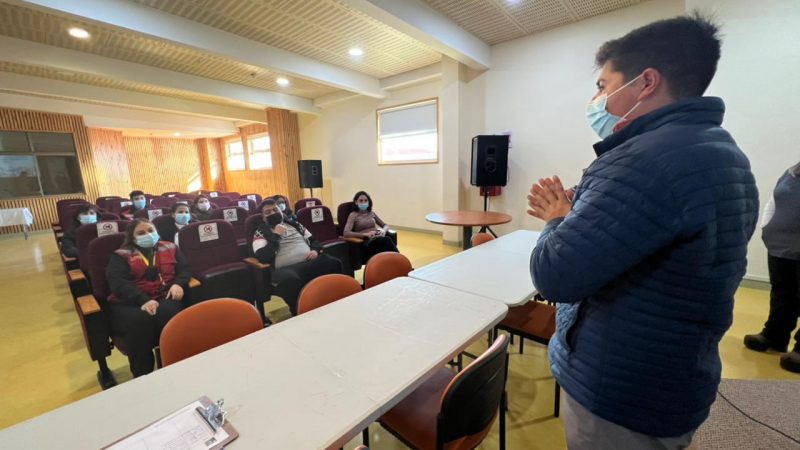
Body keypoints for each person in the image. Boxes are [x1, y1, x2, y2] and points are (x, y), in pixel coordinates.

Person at [525, 14, 758, 449]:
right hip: (673, 373)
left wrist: (558, 217)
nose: (597, 98)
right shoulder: (719, 150)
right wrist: (585, 211)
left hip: (620, 388)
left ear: (645, 82)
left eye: (603, 85)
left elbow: (555, 275)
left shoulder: (643, 160)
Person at [106, 219, 191, 377]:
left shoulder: (170, 247)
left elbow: (184, 269)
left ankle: (174, 368)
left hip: (164, 294)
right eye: (141, 233)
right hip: (131, 301)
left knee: (169, 314)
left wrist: (179, 284)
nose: (148, 235)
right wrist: (143, 300)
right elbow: (118, 283)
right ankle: (143, 375)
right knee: (139, 322)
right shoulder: (121, 255)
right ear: (132, 237)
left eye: (151, 230)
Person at [744, 163, 800, 373]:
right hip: (780, 245)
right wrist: (766, 228)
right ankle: (775, 335)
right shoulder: (791, 172)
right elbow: (774, 201)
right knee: (782, 292)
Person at [252, 199, 343, 316]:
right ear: (263, 218)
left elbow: (314, 241)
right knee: (290, 280)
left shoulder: (294, 224)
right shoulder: (260, 232)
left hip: (309, 261)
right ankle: (299, 312)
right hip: (286, 269)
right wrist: (276, 235)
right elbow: (263, 256)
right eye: (268, 212)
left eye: (275, 210)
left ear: (281, 211)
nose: (273, 213)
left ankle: (335, 301)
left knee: (333, 262)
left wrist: (315, 250)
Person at [343, 191, 397, 261]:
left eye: (365, 200)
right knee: (386, 241)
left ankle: (396, 264)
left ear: (369, 202)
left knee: (387, 242)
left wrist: (383, 230)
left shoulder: (371, 213)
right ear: (356, 202)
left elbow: (385, 225)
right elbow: (346, 233)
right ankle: (401, 263)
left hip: (378, 238)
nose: (363, 203)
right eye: (361, 201)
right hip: (367, 242)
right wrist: (365, 234)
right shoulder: (353, 215)